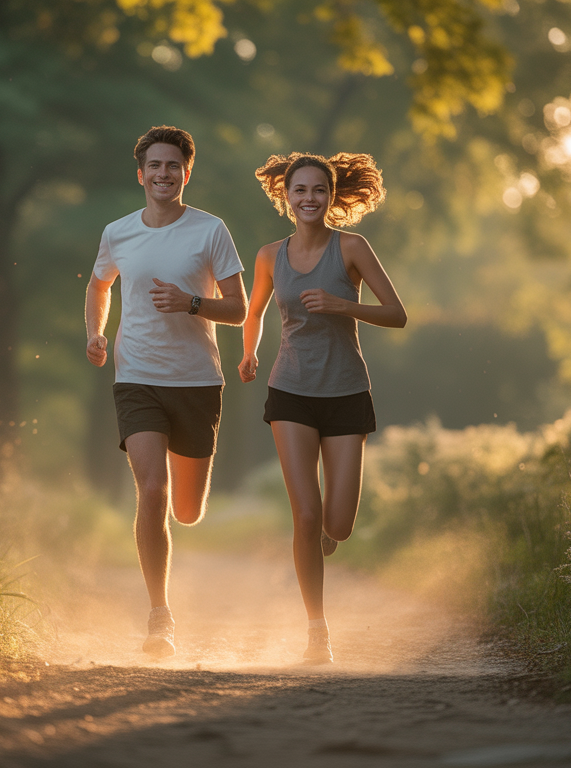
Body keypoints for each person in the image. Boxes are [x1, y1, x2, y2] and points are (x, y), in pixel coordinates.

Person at [85, 126, 248, 657]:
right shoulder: (118, 232)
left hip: (196, 381)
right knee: (152, 490)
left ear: (186, 173)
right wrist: (95, 332)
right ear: (141, 174)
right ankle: (160, 616)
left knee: (187, 510)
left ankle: (183, 522)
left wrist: (191, 303)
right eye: (154, 165)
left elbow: (239, 309)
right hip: (136, 377)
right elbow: (99, 284)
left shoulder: (211, 231)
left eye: (172, 165)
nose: (163, 173)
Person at [239, 152, 405, 664]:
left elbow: (397, 314)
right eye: (300, 190)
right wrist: (249, 352)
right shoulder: (270, 255)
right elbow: (254, 312)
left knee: (339, 525)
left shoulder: (351, 248)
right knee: (307, 516)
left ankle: (327, 540)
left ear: (331, 197)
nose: (309, 198)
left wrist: (343, 305)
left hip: (346, 392)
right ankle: (317, 629)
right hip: (290, 390)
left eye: (318, 190)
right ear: (285, 197)